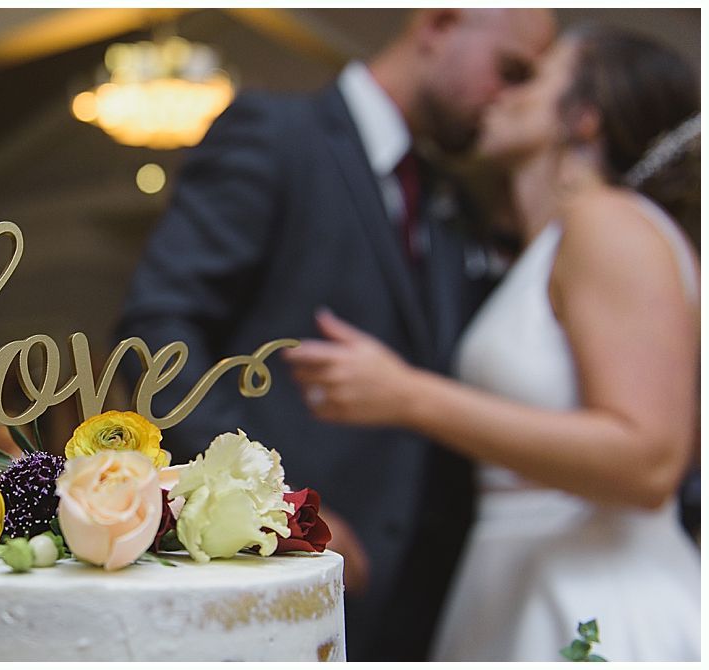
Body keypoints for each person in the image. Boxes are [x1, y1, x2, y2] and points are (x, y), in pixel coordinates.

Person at [115, 8, 556, 661]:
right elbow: (157, 332)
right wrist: (280, 508)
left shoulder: (449, 197)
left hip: (429, 602)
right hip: (292, 580)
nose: (512, 97)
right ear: (438, 24)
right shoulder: (275, 134)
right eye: (510, 70)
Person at [284, 25, 700, 661]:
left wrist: (408, 395)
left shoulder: (606, 222)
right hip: (511, 582)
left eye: (531, 78)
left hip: (597, 598)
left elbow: (648, 462)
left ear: (584, 119)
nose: (502, 94)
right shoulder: (546, 246)